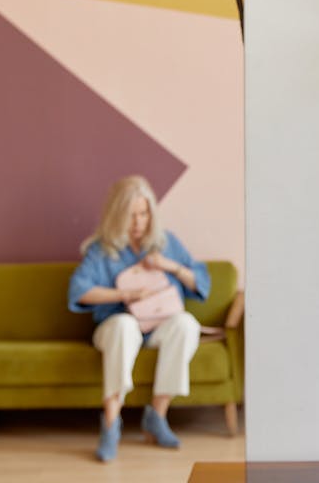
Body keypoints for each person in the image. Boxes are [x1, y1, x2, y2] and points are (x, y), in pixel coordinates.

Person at [68, 175, 211, 462]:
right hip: (117, 325)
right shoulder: (102, 249)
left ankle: (157, 416)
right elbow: (80, 291)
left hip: (158, 327)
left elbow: (200, 282)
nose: (138, 222)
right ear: (117, 215)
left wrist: (168, 265)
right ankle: (110, 422)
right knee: (124, 325)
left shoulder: (166, 243)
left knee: (186, 324)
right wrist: (124, 295)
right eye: (130, 215)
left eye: (143, 214)